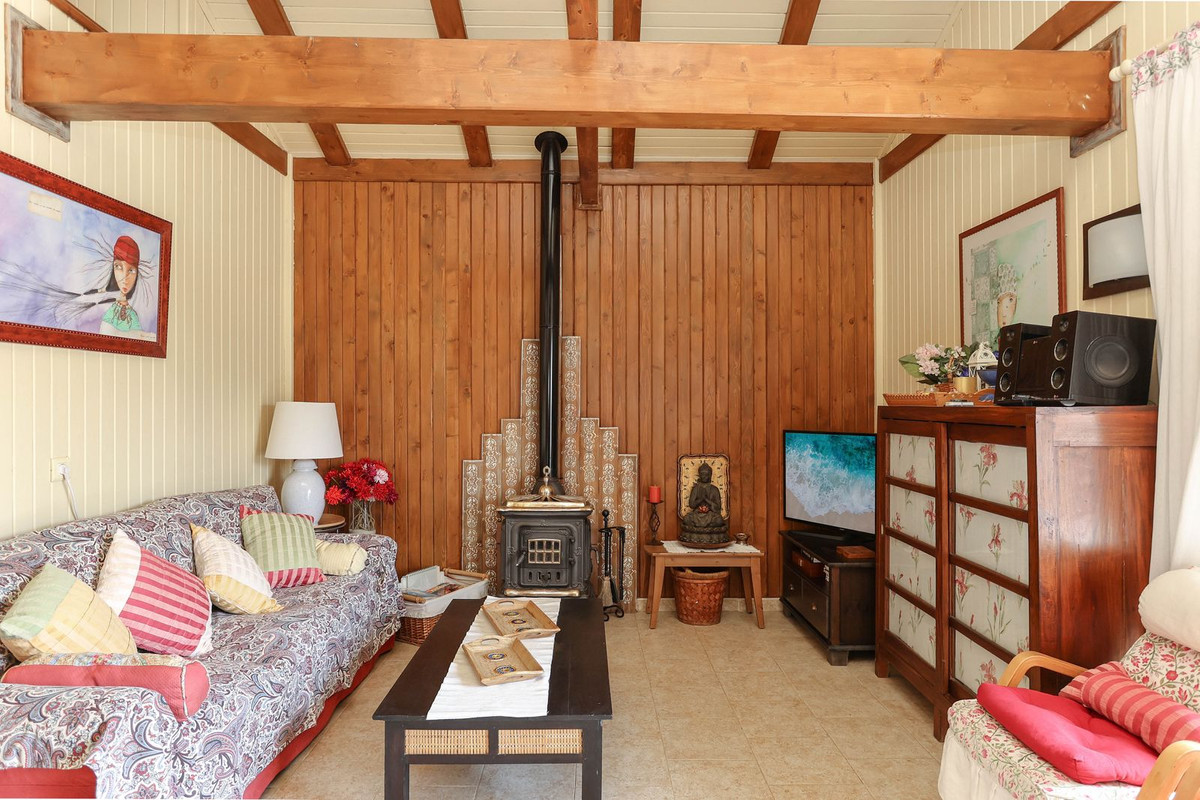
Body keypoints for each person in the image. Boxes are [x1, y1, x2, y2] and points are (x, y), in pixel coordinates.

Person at [98, 236, 142, 336]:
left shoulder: (133, 316)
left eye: (131, 270)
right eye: (118, 266)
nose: (124, 279)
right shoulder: (110, 313)